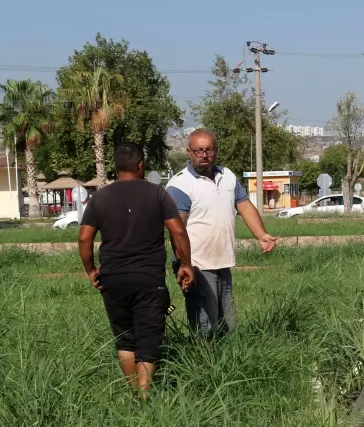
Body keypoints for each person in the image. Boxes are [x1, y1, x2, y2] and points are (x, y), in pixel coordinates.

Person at [79, 142, 193, 396]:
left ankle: (134, 393)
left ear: (116, 166)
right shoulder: (157, 194)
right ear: (141, 166)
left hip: (113, 278)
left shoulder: (100, 197)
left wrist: (90, 270)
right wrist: (185, 264)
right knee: (149, 338)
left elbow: (85, 238)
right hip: (149, 278)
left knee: (125, 338)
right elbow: (177, 230)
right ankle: (144, 397)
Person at [164, 128, 278, 336]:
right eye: (198, 150)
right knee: (205, 325)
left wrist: (261, 235)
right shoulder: (180, 184)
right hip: (196, 264)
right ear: (189, 152)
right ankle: (203, 363)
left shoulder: (227, 176)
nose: (204, 155)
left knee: (226, 322)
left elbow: (243, 205)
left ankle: (225, 361)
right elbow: (176, 229)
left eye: (209, 150)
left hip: (222, 260)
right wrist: (184, 263)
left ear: (216, 151)